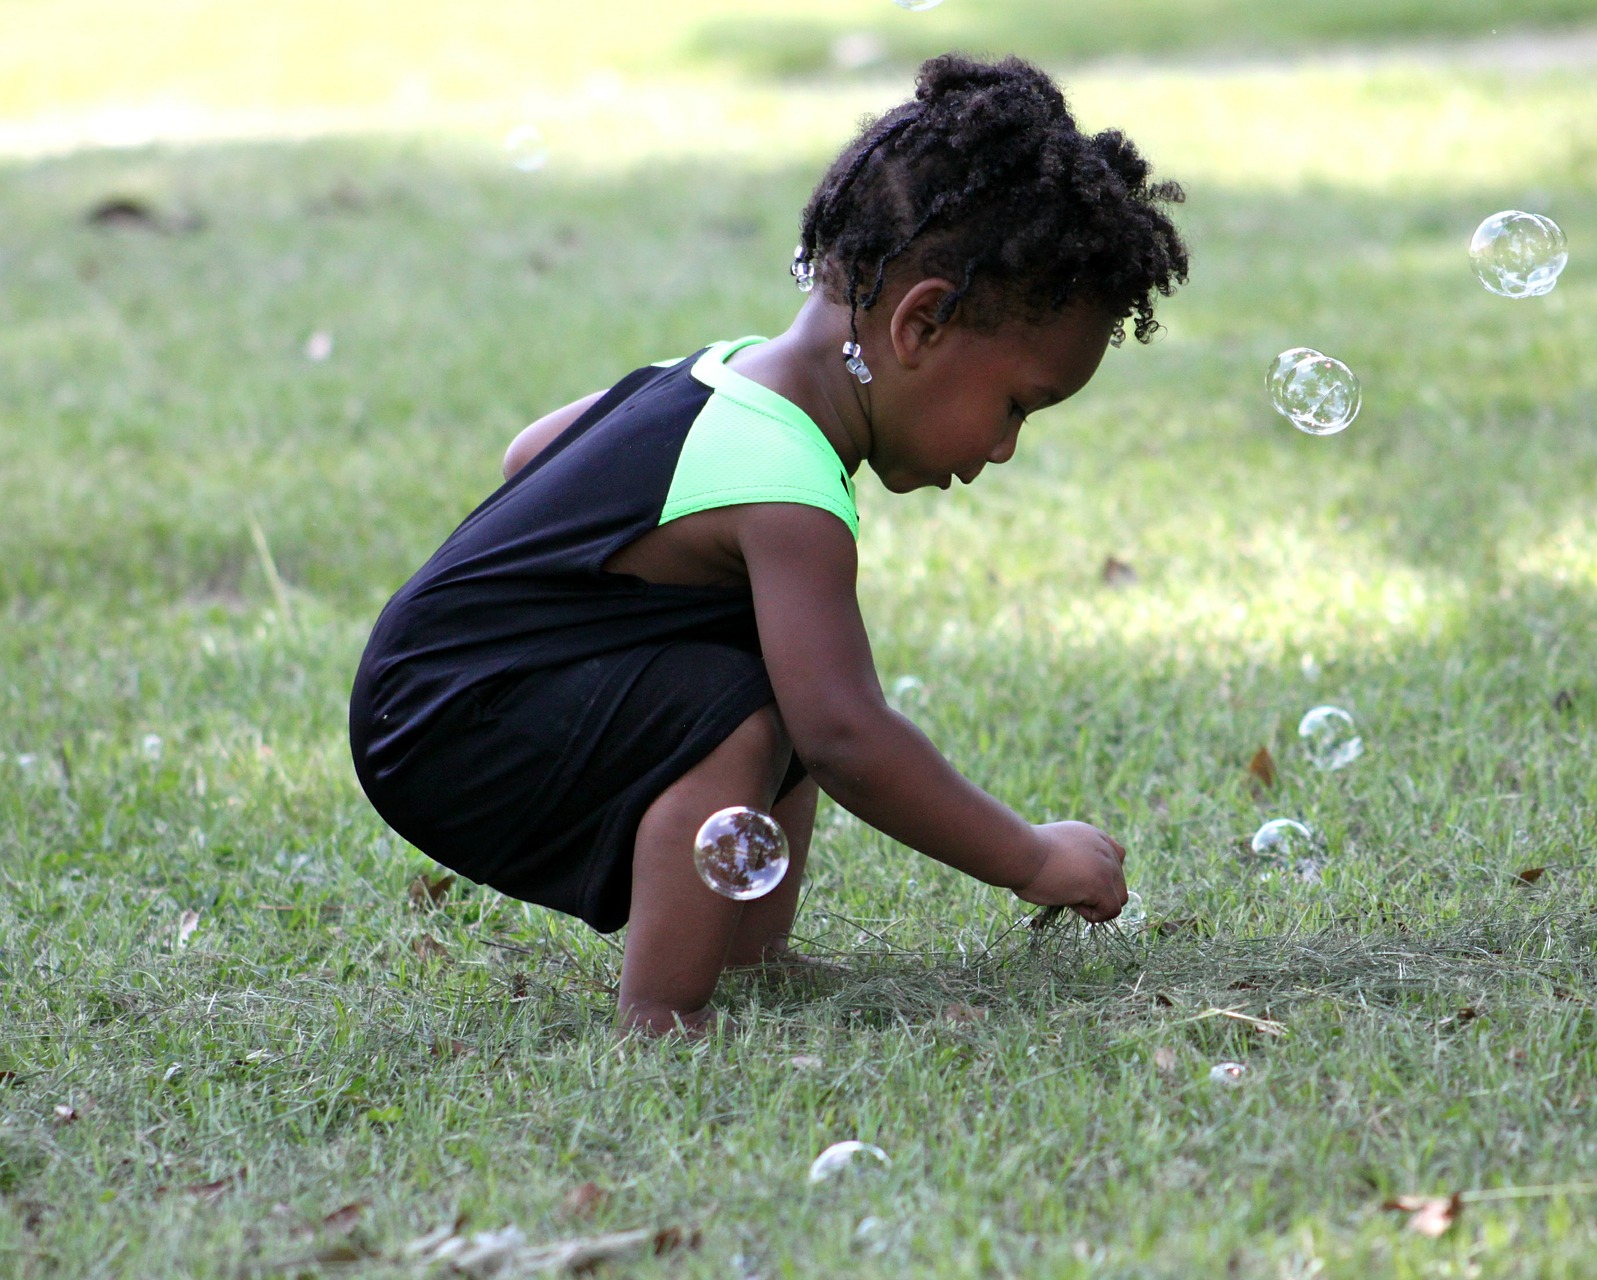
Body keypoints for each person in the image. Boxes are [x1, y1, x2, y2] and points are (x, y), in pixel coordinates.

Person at [348, 52, 1190, 1033]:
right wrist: (1032, 856)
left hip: (431, 685)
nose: (1004, 446)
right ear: (919, 325)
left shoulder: (723, 373)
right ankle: (663, 1014)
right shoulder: (788, 491)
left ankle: (751, 951)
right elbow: (847, 737)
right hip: (448, 729)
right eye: (1015, 405)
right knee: (748, 711)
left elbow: (528, 452)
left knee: (761, 671)